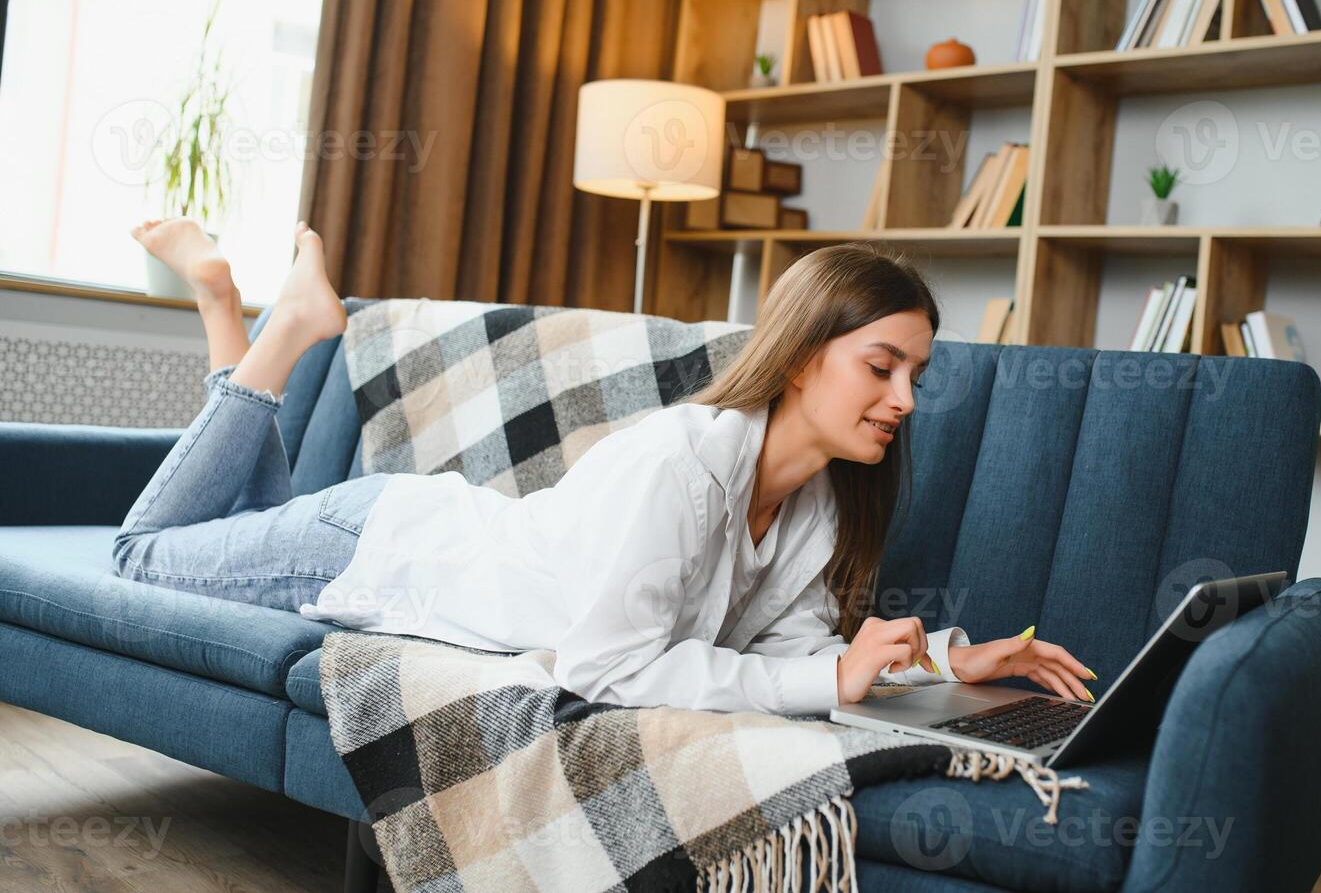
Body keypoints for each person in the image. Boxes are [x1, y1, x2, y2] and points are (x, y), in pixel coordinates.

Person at [114, 220, 1097, 716]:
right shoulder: (684, 464)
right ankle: (284, 327)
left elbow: (795, 666)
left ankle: (226, 311)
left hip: (391, 529)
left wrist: (944, 661)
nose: (906, 399)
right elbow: (604, 667)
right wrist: (832, 675)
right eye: (882, 366)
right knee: (146, 557)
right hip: (379, 546)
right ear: (803, 356)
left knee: (246, 514)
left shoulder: (819, 512)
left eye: (915, 373)